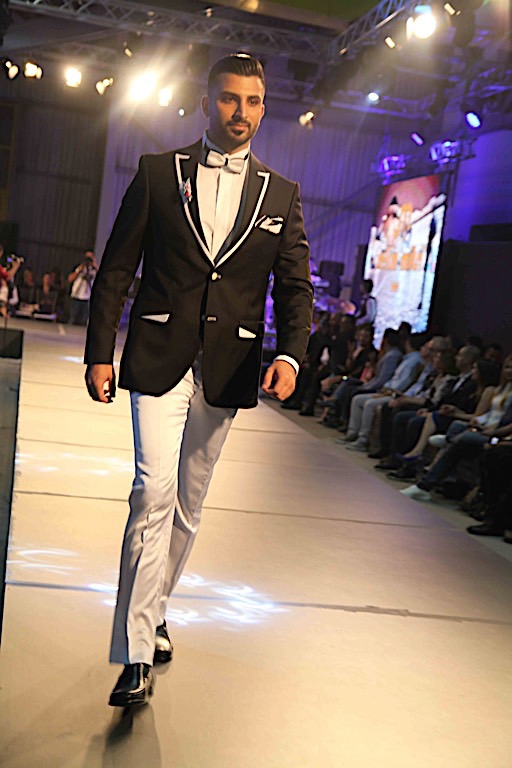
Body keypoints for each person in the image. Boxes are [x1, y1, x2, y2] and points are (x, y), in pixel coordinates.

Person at [84, 54, 313, 707]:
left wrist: (291, 357)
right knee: (150, 491)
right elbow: (117, 268)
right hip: (157, 354)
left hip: (229, 367)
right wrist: (99, 351)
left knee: (187, 504)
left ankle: (155, 611)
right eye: (230, 99)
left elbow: (296, 288)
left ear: (264, 107)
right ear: (206, 101)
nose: (242, 112)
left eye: (254, 101)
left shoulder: (281, 193)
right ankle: (134, 654)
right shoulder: (159, 173)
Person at [68, 249, 97, 325]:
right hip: (76, 296)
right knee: (73, 319)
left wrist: (94, 264)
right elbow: (70, 279)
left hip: (87, 298)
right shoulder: (78, 267)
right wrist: (79, 270)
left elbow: (102, 280)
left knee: (83, 321)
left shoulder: (94, 270)